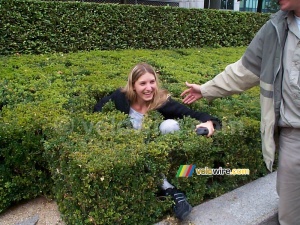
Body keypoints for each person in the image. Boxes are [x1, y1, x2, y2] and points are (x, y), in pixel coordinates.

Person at [181, 2, 300, 224]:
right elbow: (243, 71)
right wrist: (206, 89)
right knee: (290, 210)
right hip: (294, 135)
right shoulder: (275, 27)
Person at [94, 62, 221, 220]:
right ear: (133, 86)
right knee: (140, 152)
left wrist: (210, 122)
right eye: (143, 83)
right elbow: (98, 109)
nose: (149, 88)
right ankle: (171, 191)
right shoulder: (121, 97)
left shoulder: (161, 101)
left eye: (152, 82)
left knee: (170, 125)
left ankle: (173, 183)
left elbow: (192, 113)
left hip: (157, 150)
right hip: (134, 150)